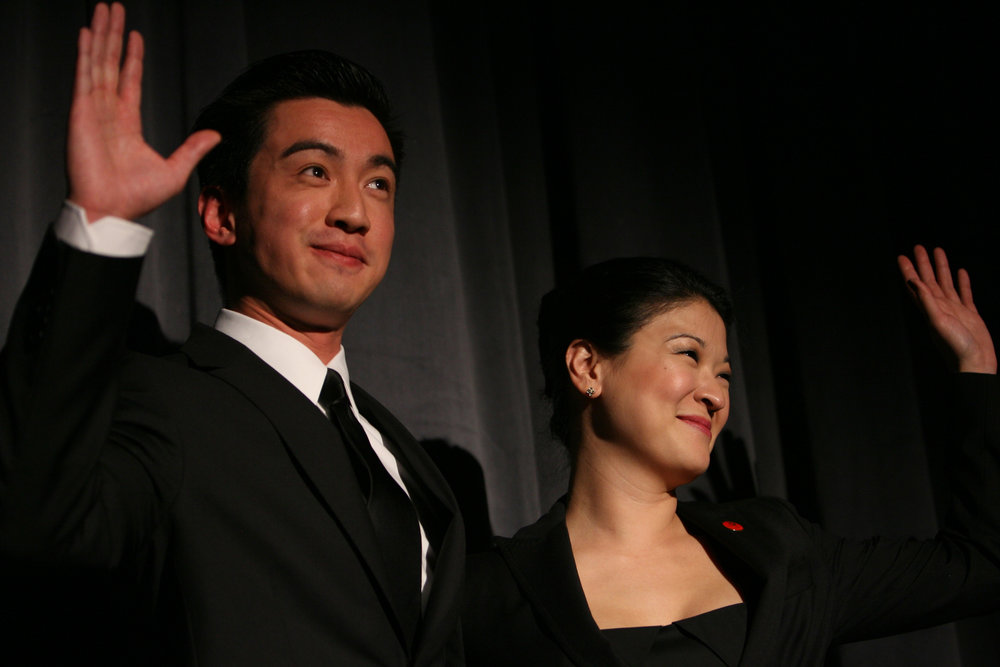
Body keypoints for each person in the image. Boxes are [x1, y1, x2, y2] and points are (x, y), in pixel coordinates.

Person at [0, 3, 464, 665]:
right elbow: (33, 519)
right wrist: (99, 223)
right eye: (314, 171)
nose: (355, 211)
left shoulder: (399, 453)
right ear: (221, 213)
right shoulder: (160, 402)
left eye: (379, 183)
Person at [461, 249, 1000, 665]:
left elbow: (982, 565)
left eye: (723, 374)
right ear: (588, 366)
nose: (716, 394)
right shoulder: (490, 594)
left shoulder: (782, 551)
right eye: (688, 355)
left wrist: (977, 367)